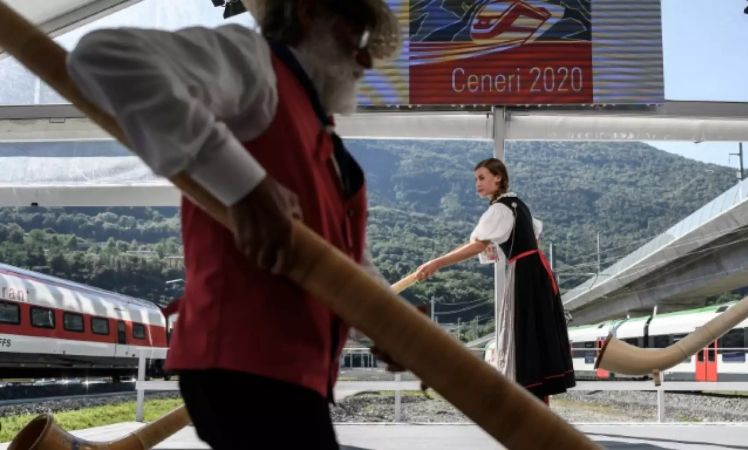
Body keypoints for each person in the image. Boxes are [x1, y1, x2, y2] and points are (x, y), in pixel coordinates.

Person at [65, 1, 400, 449]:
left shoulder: (326, 140)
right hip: (243, 366)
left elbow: (350, 264)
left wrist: (387, 322)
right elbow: (104, 56)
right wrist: (244, 186)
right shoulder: (254, 64)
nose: (364, 60)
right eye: (354, 38)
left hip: (288, 376)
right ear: (307, 13)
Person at [412, 157, 575, 403]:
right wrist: (496, 246)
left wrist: (437, 262)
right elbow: (533, 234)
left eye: (482, 178)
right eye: (476, 179)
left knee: (522, 340)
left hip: (524, 275)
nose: (477, 184)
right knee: (533, 339)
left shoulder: (499, 209)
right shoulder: (518, 204)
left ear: (497, 177)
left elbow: (477, 244)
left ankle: (527, 413)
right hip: (537, 273)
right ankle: (538, 412)